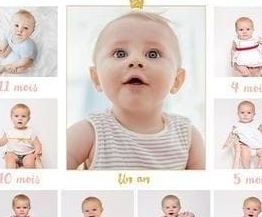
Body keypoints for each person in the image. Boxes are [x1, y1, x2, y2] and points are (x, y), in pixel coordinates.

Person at [67, 11, 205, 170]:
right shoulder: (89, 133)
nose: (135, 61)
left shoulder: (188, 137)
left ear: (176, 80)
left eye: (153, 54)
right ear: (96, 77)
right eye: (120, 53)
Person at [222, 100, 262, 169]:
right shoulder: (237, 125)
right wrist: (227, 142)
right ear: (238, 114)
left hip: (257, 145)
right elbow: (231, 134)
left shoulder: (256, 123)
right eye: (242, 112)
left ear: (254, 114)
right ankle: (247, 169)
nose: (245, 115)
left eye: (249, 113)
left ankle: (259, 168)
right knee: (245, 153)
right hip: (245, 145)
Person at [0, 103, 43, 169]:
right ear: (11, 117)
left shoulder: (30, 131)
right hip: (14, 154)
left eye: (23, 116)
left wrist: (37, 153)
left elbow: (37, 144)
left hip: (27, 154)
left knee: (29, 162)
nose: (20, 118)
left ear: (28, 119)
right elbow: (2, 142)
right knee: (9, 157)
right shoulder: (8, 131)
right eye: (16, 116)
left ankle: (29, 171)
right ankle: (12, 169)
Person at [0, 9, 37, 75]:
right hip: (15, 46)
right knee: (11, 43)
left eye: (25, 28)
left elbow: (24, 61)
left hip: (28, 57)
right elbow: (6, 39)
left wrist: (15, 65)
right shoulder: (10, 33)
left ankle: (5, 68)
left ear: (32, 32)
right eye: (16, 25)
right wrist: (3, 46)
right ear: (10, 25)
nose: (20, 30)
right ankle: (4, 54)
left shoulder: (27, 46)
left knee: (22, 68)